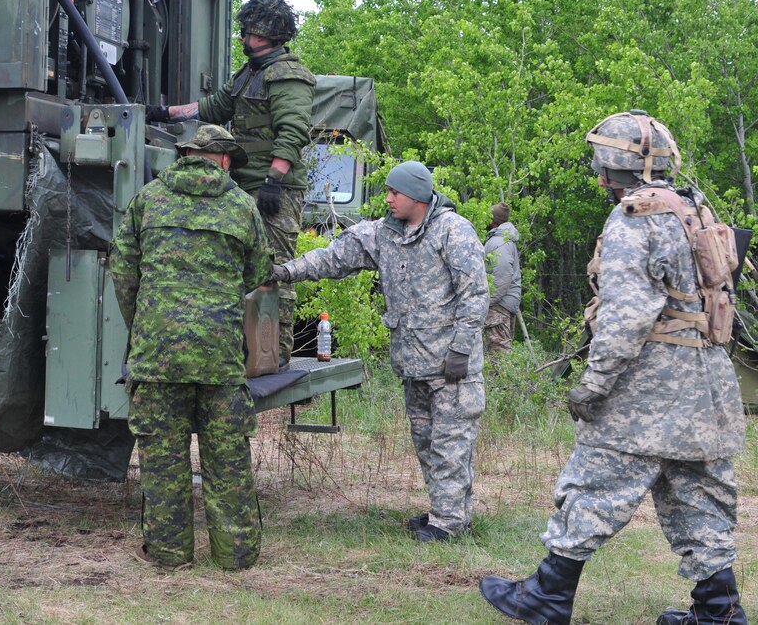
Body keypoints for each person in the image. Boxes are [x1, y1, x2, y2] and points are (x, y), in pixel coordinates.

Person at [479, 110, 748, 624]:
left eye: (601, 167)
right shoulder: (695, 208)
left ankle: (546, 596)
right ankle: (719, 612)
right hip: (708, 387)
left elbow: (625, 319)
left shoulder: (635, 217)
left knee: (592, 486)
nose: (599, 178)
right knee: (700, 501)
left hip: (646, 390)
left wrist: (593, 384)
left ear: (614, 167)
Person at [270, 160, 489, 542]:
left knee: (451, 446)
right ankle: (447, 512)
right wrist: (287, 271)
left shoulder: (453, 231)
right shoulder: (382, 234)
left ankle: (449, 524)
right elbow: (332, 257)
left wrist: (460, 350)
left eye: (394, 192)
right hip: (414, 365)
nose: (387, 198)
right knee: (427, 444)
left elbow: (475, 296)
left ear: (418, 196)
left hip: (451, 367)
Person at [108, 124, 272, 571]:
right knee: (228, 462)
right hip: (219, 357)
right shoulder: (241, 206)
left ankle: (168, 555)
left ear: (185, 156)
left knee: (163, 462)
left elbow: (122, 272)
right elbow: (258, 271)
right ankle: (236, 558)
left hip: (157, 355)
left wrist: (145, 325)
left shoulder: (147, 200)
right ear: (222, 159)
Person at [147, 0, 315, 367]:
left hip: (275, 191)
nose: (240, 37)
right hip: (241, 188)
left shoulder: (289, 75)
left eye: (246, 31)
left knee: (274, 269)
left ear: (266, 33)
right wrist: (161, 113)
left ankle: (278, 353)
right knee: (238, 269)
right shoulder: (249, 74)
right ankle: (243, 351)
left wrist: (274, 181)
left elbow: (294, 131)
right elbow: (213, 108)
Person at [483, 202, 522, 352]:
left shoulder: (499, 242)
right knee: (501, 352)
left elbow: (502, 278)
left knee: (498, 354)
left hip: (499, 306)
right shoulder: (503, 240)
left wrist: (486, 302)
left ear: (493, 221)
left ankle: (501, 377)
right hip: (504, 303)